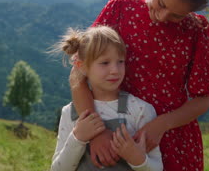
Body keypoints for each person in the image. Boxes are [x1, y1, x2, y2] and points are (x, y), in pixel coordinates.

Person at [71, 0, 209, 171]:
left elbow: (203, 99)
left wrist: (161, 124)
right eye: (161, 3)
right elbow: (78, 73)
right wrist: (96, 134)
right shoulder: (119, 11)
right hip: (114, 133)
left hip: (173, 140)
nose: (162, 17)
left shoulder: (197, 30)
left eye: (176, 16)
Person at [50, 26, 163, 171]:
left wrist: (137, 158)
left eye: (120, 61)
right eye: (105, 63)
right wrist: (77, 138)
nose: (115, 70)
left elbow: (157, 168)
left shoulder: (140, 110)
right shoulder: (70, 113)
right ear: (81, 66)